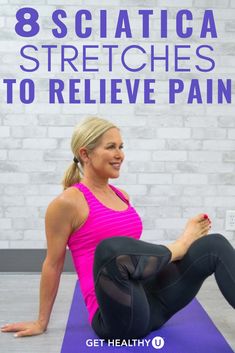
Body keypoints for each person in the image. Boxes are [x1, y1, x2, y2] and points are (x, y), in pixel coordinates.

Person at [1, 116, 235, 340]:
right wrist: (41, 321)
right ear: (85, 154)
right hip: (118, 318)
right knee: (111, 249)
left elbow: (136, 256)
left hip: (152, 304)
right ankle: (180, 245)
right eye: (111, 147)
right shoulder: (67, 203)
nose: (119, 154)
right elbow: (53, 263)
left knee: (213, 244)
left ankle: (180, 248)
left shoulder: (122, 196)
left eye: (121, 147)